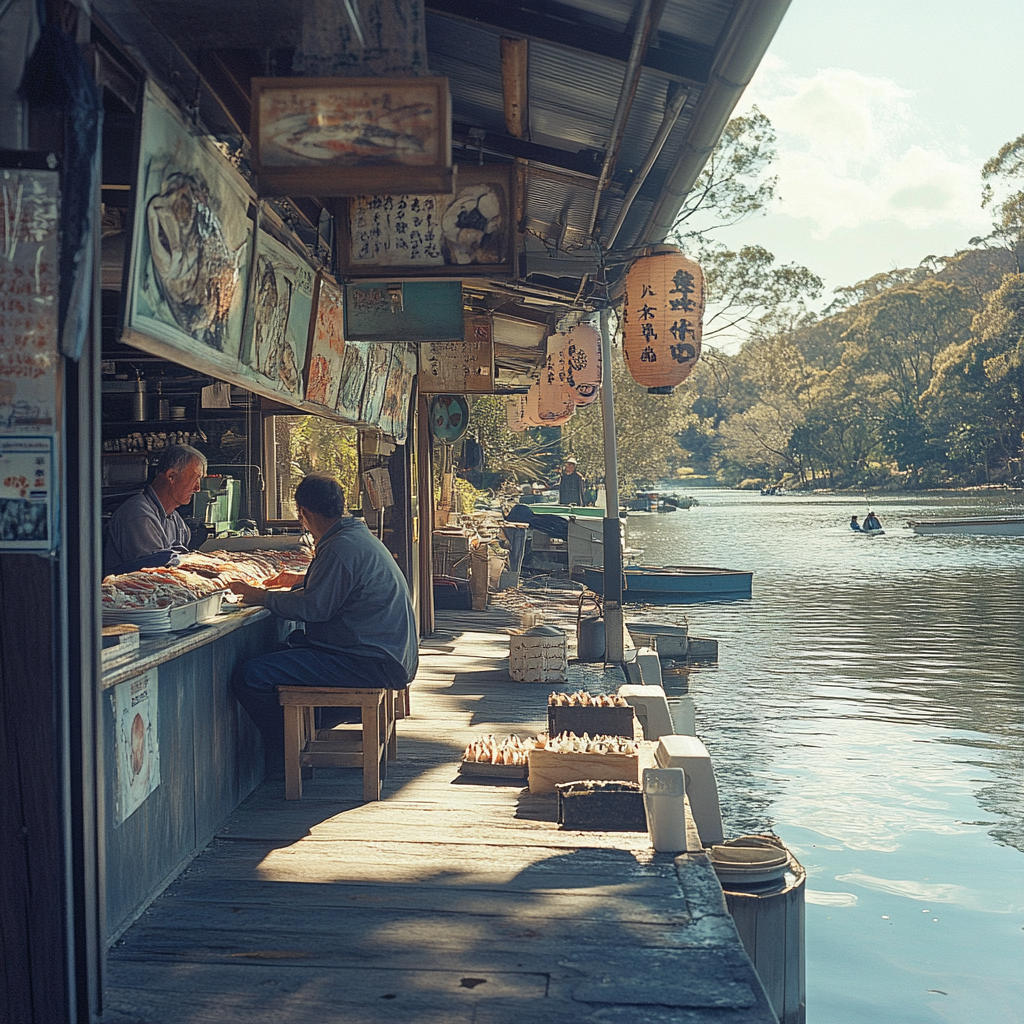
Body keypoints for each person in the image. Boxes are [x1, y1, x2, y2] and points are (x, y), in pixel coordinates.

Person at [229, 474, 418, 765]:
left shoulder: (340, 547)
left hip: (370, 661)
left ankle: (288, 756)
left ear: (303, 513)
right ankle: (306, 734)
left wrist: (261, 597)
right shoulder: (354, 536)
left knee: (250, 676)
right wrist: (301, 580)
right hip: (385, 655)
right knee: (278, 653)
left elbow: (315, 609)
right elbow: (338, 588)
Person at [103, 443, 206, 576]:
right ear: (171, 476)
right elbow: (155, 573)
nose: (198, 488)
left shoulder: (175, 519)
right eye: (195, 479)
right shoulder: (138, 515)